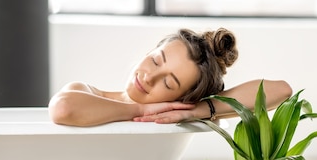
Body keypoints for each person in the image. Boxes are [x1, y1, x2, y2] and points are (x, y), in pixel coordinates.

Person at [48, 27, 292, 126]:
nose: (149, 77)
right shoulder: (85, 91)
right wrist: (141, 111)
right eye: (155, 60)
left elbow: (282, 90)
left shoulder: (177, 113)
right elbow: (63, 108)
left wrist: (198, 110)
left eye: (168, 82)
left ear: (183, 99)